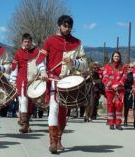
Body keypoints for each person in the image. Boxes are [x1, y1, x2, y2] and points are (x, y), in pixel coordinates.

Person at [36, 15, 87, 153]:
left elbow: (84, 64)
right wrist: (42, 71)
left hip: (68, 81)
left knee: (63, 112)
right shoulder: (50, 41)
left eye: (69, 26)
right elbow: (40, 60)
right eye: (65, 25)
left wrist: (74, 62)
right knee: (53, 108)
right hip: (53, 79)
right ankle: (52, 142)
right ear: (59, 25)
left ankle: (59, 140)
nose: (67, 28)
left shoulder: (77, 43)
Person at [10, 33, 39, 133]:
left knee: (31, 102)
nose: (27, 44)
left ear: (31, 42)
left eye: (28, 42)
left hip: (33, 80)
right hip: (21, 80)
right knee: (23, 100)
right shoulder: (18, 53)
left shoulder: (36, 52)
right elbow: (14, 68)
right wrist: (13, 80)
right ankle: (24, 124)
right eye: (25, 42)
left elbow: (40, 65)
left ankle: (26, 123)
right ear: (22, 42)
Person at [102, 51, 126, 130]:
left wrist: (118, 84)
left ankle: (118, 124)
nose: (116, 58)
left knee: (119, 107)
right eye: (115, 56)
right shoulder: (107, 66)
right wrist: (112, 85)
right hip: (110, 90)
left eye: (118, 56)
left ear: (120, 57)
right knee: (110, 107)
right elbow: (105, 78)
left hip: (120, 91)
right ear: (112, 57)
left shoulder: (122, 67)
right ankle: (111, 123)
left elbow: (124, 78)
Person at [123, 62, 135, 128]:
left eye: (132, 67)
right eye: (130, 67)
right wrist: (131, 87)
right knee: (126, 107)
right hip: (128, 93)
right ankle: (125, 120)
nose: (131, 68)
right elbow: (124, 84)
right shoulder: (127, 75)